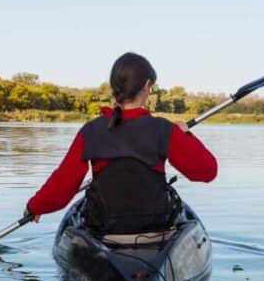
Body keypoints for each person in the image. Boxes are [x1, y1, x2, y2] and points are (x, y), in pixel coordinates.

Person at [25, 52, 217, 235]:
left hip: (104, 228)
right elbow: (207, 171)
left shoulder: (91, 131)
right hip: (155, 228)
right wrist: (186, 135)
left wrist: (34, 206)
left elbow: (63, 184)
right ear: (146, 85)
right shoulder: (164, 129)